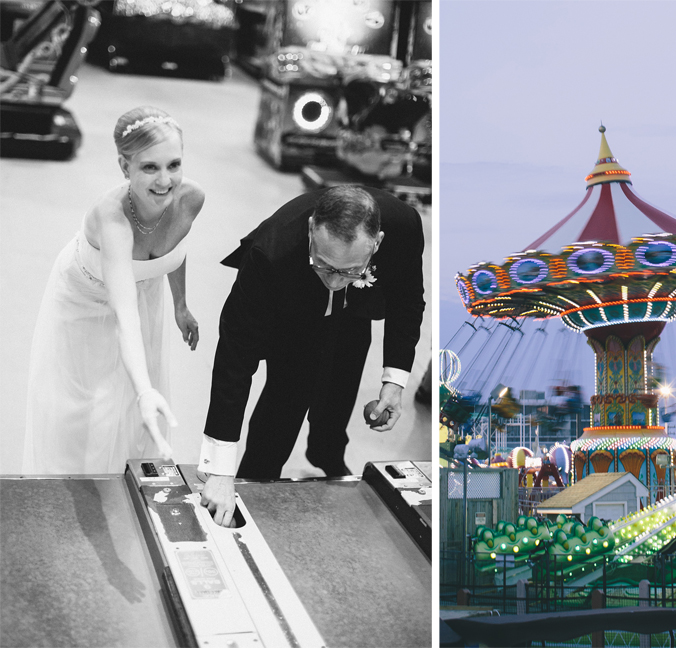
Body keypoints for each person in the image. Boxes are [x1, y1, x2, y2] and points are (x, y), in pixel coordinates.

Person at [199, 185, 425, 527]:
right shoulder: (270, 254)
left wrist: (394, 382)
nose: (334, 282)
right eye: (324, 265)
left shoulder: (404, 227)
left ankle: (327, 452)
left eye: (347, 270)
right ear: (310, 230)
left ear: (376, 243)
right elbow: (234, 359)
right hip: (291, 303)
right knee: (286, 396)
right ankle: (255, 475)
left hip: (355, 312)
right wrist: (218, 468)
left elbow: (408, 301)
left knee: (342, 384)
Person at [22, 106, 203, 474]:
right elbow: (125, 318)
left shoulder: (191, 198)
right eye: (149, 167)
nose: (165, 181)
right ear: (125, 167)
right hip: (86, 300)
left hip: (142, 292)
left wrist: (180, 305)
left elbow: (173, 248)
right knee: (88, 407)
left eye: (174, 165)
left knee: (128, 417)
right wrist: (146, 391)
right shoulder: (112, 218)